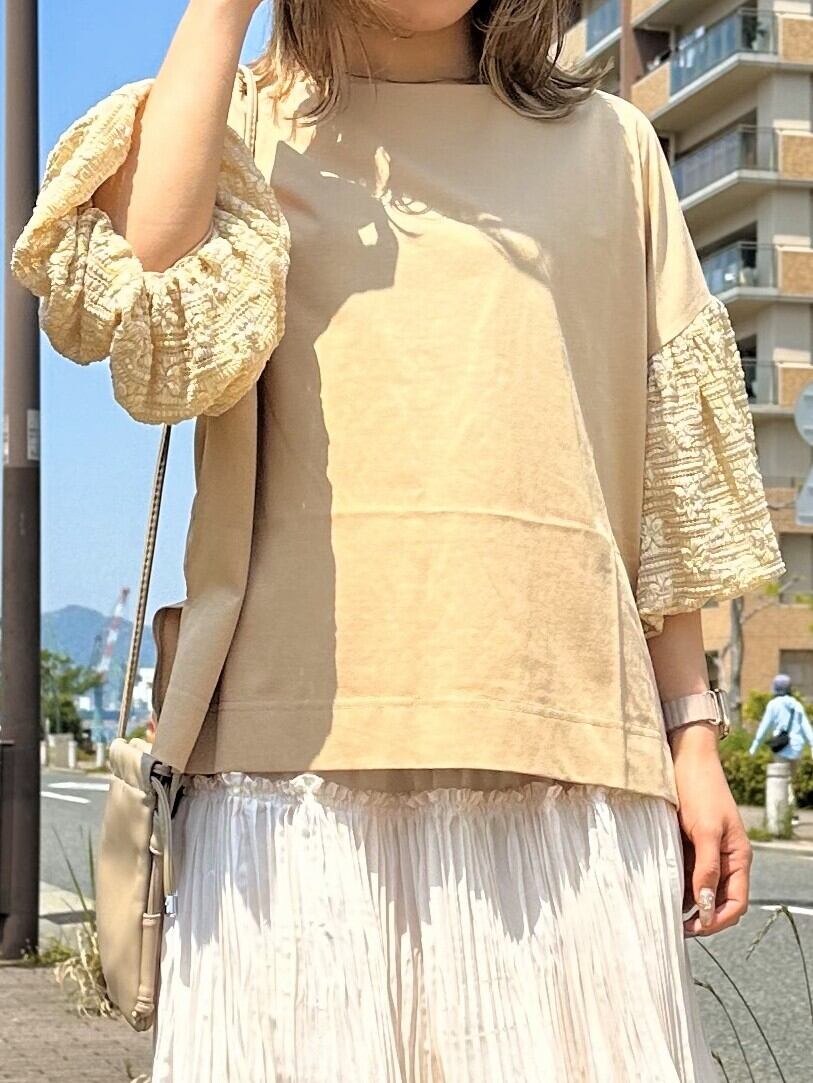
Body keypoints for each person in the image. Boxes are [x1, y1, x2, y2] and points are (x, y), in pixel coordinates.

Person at [10, 0, 786, 1079]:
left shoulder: (611, 149)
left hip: (568, 765)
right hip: (292, 774)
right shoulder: (245, 127)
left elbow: (664, 478)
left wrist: (693, 734)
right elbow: (144, 272)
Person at [749, 673, 813, 823]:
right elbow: (806, 728)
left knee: (785, 781)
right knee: (790, 780)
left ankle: (791, 815)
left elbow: (764, 727)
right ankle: (789, 813)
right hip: (796, 748)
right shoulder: (797, 705)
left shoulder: (773, 705)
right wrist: (811, 745)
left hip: (781, 747)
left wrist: (754, 747)